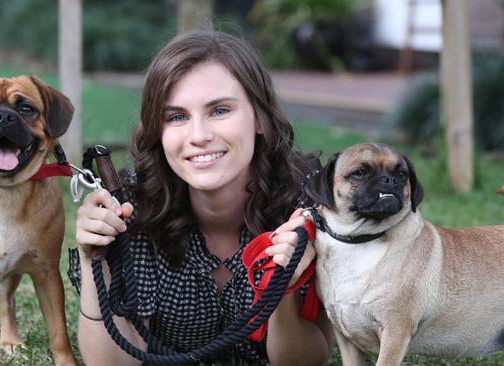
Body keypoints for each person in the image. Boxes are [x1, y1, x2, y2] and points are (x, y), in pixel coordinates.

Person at [68, 29, 333, 365]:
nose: (198, 136)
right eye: (177, 117)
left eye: (220, 111)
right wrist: (98, 262)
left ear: (260, 118)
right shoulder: (133, 211)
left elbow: (305, 361)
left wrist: (281, 288)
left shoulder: (311, 212)